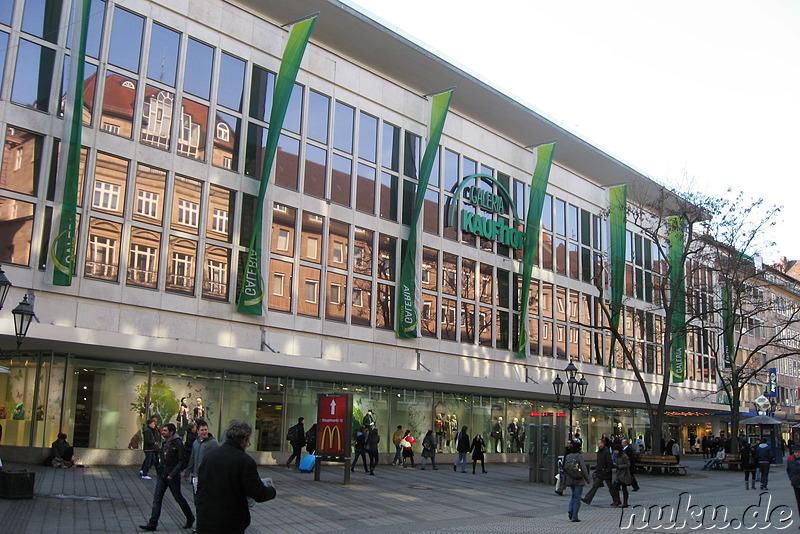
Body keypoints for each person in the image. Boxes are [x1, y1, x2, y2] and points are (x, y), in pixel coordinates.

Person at [196, 420, 276, 534]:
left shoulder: (210, 456)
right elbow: (258, 493)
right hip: (230, 521)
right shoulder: (244, 461)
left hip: (206, 518)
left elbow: (201, 487)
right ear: (244, 440)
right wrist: (271, 491)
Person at [139, 423, 194, 532]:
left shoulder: (177, 443)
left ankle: (190, 517)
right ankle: (152, 523)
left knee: (178, 498)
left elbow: (181, 461)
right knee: (157, 498)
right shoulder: (165, 443)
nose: (162, 432)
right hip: (162, 474)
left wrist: (173, 473)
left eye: (165, 431)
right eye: (162, 430)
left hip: (172, 476)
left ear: (171, 432)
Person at [184, 420, 219, 533]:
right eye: (202, 430)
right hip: (196, 477)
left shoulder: (213, 443)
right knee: (197, 502)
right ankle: (200, 526)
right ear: (197, 431)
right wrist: (187, 472)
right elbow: (192, 458)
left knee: (205, 503)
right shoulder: (196, 442)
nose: (204, 432)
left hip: (207, 478)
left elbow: (218, 458)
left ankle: (206, 526)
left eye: (206, 429)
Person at [582, 439, 620, 506]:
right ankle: (587, 498)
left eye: (599, 443)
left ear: (602, 444)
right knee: (595, 485)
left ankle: (616, 500)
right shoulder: (599, 452)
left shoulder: (606, 452)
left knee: (610, 487)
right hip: (600, 473)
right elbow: (599, 463)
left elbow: (609, 463)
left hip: (606, 473)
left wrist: (607, 470)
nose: (598, 444)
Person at [564, 441, 592, 522]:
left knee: (573, 495)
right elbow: (584, 468)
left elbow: (565, 468)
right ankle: (574, 516)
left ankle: (570, 509)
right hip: (578, 479)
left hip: (570, 479)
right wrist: (587, 479)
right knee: (577, 497)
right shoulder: (579, 456)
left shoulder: (568, 456)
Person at [614, 443, 632, 508]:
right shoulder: (617, 455)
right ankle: (618, 500)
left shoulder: (624, 456)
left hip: (624, 474)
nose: (615, 452)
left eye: (616, 450)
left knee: (624, 487)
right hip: (619, 473)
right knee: (615, 486)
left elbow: (628, 464)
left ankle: (625, 502)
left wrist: (620, 466)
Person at [786, 444, 800, 519]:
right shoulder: (790, 459)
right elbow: (788, 470)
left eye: (798, 452)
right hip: (796, 482)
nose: (797, 453)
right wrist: (791, 478)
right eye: (796, 452)